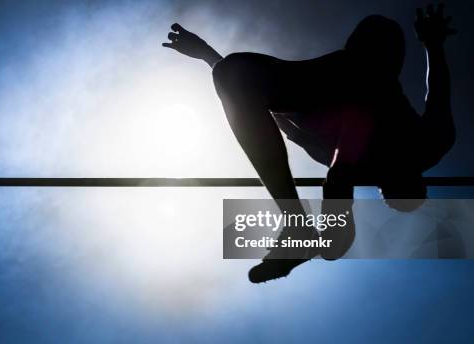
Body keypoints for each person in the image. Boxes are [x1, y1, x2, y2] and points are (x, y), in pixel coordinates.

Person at [163, 4, 456, 282]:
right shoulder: (430, 144)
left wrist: (208, 57)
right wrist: (433, 44)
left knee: (231, 73)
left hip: (325, 98)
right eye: (397, 185)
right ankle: (299, 225)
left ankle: (297, 225)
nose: (387, 180)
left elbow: (245, 97)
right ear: (416, 176)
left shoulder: (340, 158)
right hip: (335, 82)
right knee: (380, 37)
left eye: (386, 188)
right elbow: (438, 94)